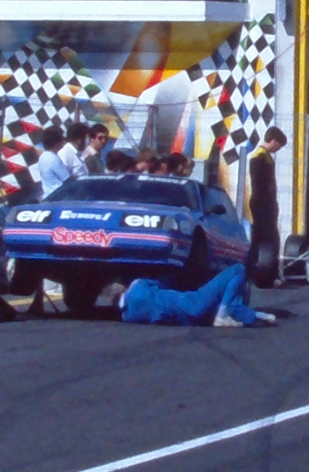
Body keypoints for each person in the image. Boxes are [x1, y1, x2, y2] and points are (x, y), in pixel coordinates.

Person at [120, 260, 276, 326]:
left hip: (185, 319)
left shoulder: (128, 316)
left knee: (227, 304)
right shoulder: (138, 286)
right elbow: (162, 282)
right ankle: (224, 314)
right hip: (190, 303)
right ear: (122, 288)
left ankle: (259, 316)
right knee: (238, 269)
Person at [244, 128, 285, 278]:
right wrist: (267, 200)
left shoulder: (266, 156)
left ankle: (261, 270)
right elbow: (259, 183)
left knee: (264, 237)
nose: (278, 149)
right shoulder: (259, 157)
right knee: (264, 238)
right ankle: (256, 270)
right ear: (273, 141)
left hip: (266, 202)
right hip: (262, 203)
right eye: (279, 145)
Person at [38, 122, 85, 200]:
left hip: (48, 196)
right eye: (62, 139)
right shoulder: (53, 159)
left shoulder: (43, 156)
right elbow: (68, 180)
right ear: (56, 143)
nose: (64, 142)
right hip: (58, 197)